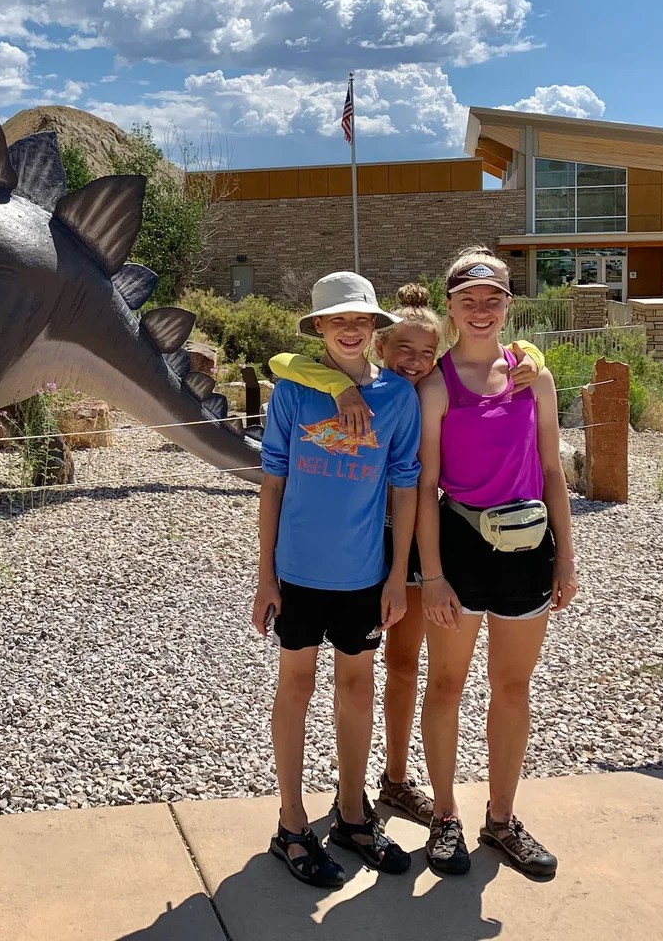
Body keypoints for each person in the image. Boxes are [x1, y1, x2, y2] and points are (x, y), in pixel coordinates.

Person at [269, 287, 546, 828]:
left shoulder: (425, 386)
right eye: (404, 351)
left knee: (403, 663)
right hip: (371, 541)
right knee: (390, 661)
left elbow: (502, 357)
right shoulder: (367, 386)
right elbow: (286, 361)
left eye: (426, 353)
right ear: (382, 345)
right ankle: (380, 782)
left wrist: (531, 354)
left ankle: (395, 779)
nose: (415, 362)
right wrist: (336, 386)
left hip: (424, 535)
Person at [252, 271, 422, 886]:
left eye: (361, 320)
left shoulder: (398, 399)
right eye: (337, 320)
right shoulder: (294, 391)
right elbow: (273, 483)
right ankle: (291, 823)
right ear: (319, 327)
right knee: (295, 687)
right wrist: (265, 574)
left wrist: (397, 577)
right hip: (297, 573)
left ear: (375, 328)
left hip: (363, 575)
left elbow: (404, 487)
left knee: (357, 687)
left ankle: (352, 814)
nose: (350, 330)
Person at [415, 248, 578, 879]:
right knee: (448, 686)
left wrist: (566, 557)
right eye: (468, 301)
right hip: (460, 548)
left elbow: (555, 471)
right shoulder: (438, 384)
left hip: (526, 550)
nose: (481, 312)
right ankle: (445, 817)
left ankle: (502, 818)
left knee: (513, 688)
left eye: (493, 300)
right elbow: (427, 482)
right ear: (451, 304)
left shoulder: (533, 377)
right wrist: (431, 573)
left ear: (509, 304)